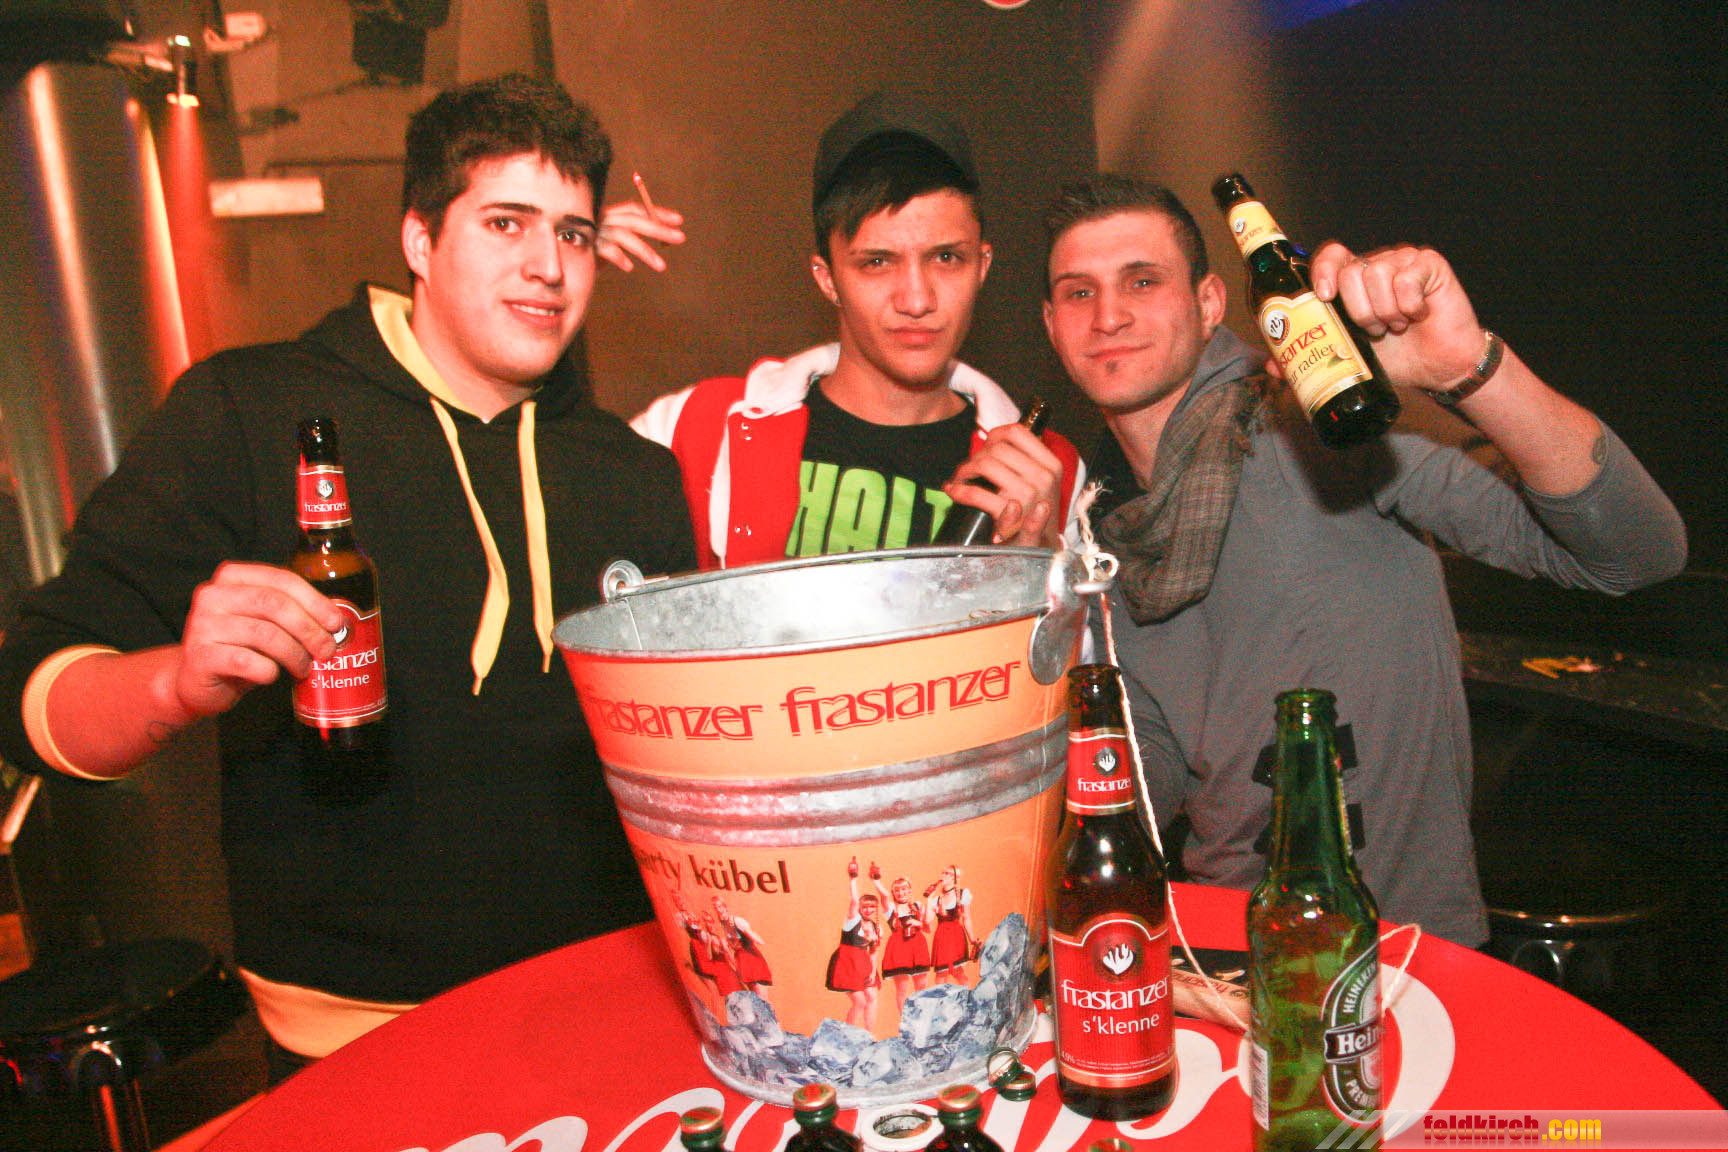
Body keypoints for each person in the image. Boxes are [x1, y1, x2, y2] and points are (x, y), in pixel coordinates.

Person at [0, 73, 695, 1077]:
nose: (548, 266)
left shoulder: (633, 475)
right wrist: (175, 683)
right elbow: (30, 691)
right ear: (420, 238)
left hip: (611, 1003)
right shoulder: (250, 413)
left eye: (574, 234)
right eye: (506, 223)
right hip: (360, 1034)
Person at [1039, 174, 1686, 947]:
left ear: (1209, 303)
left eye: (1142, 281)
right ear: (1051, 326)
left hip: (1403, 954)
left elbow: (1635, 552)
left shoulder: (1312, 424)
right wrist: (1021, 593)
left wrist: (1471, 369)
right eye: (1078, 293)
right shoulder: (1106, 538)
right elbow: (1138, 796)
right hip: (1227, 952)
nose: (1108, 315)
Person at [631, 92, 1085, 569]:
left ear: (982, 267)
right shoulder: (696, 428)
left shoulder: (1047, 472)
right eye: (877, 263)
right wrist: (578, 260)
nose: (917, 301)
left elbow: (1088, 619)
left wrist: (1040, 572)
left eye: (946, 258)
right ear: (827, 278)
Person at [825, 857, 883, 1029]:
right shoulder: (852, 921)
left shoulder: (876, 927)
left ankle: (869, 1033)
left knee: (872, 997)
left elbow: (874, 952)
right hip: (847, 963)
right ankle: (849, 1034)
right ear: (860, 908)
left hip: (863, 964)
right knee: (859, 1001)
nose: (868, 910)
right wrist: (853, 878)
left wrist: (872, 971)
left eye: (872, 907)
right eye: (865, 907)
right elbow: (854, 900)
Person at [924, 863, 976, 985]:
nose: (943, 875)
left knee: (957, 971)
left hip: (955, 935)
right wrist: (929, 901)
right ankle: (943, 997)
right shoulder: (936, 900)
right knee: (941, 974)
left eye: (947, 873)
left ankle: (967, 994)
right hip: (941, 937)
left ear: (955, 877)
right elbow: (928, 920)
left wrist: (972, 939)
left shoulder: (962, 894)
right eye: (943, 873)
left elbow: (966, 918)